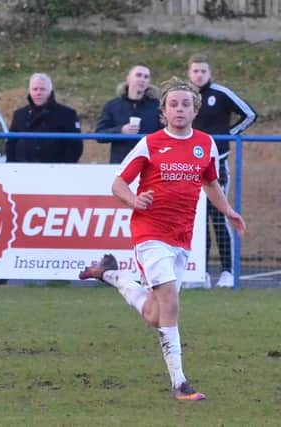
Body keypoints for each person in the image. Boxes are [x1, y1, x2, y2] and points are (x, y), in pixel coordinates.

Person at [79, 77, 246, 401]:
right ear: (164, 111)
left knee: (155, 315)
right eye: (174, 104)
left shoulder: (206, 144)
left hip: (182, 236)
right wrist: (133, 200)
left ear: (195, 110)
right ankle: (180, 383)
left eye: (186, 104)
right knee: (170, 300)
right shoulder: (151, 144)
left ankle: (111, 274)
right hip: (150, 231)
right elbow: (118, 184)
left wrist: (227, 210)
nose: (180, 109)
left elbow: (210, 182)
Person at [187, 53, 257, 288]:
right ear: (189, 73)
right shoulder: (184, 96)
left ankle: (227, 271)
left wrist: (229, 135)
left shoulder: (221, 93)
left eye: (203, 71)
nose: (199, 75)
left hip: (217, 164)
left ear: (210, 73)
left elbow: (250, 114)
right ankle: (201, 273)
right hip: (189, 166)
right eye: (195, 71)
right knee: (197, 220)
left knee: (219, 216)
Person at [6, 73, 83, 163]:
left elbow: (75, 146)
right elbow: (11, 144)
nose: (38, 93)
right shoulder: (19, 115)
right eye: (35, 89)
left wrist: (63, 167)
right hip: (23, 170)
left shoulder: (67, 114)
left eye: (42, 89)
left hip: (57, 171)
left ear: (50, 91)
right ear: (30, 91)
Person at [95, 63, 162, 163]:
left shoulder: (158, 106)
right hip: (120, 164)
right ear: (128, 79)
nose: (142, 79)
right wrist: (121, 130)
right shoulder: (112, 105)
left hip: (150, 163)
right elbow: (99, 135)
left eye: (146, 77)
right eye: (138, 75)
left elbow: (166, 134)